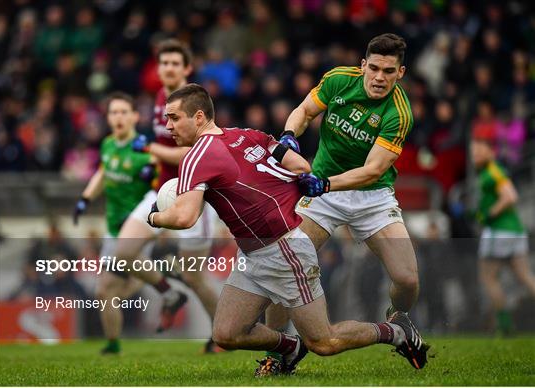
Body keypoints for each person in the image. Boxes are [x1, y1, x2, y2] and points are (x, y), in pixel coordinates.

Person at [148, 83, 428, 376]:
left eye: (174, 118)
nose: (168, 126)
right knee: (226, 333)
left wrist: (155, 217)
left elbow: (185, 217)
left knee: (325, 341)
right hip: (254, 253)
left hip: (283, 250)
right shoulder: (244, 135)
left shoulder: (196, 156)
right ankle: (290, 348)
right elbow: (299, 165)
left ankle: (396, 331)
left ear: (199, 117)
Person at [257, 33, 426, 374]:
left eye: (388, 71)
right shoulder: (338, 80)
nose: (380, 77)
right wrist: (290, 135)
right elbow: (304, 111)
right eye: (374, 68)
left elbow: (373, 170)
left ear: (400, 73)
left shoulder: (399, 113)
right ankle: (278, 354)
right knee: (283, 267)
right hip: (322, 195)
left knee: (407, 279)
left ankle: (399, 317)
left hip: (371, 196)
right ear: (363, 65)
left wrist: (326, 183)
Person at [113, 39, 222, 353]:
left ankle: (224, 336)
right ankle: (169, 292)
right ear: (157, 68)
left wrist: (148, 148)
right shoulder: (161, 97)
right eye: (164, 63)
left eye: (175, 63)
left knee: (195, 277)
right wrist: (151, 164)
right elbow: (164, 150)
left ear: (186, 68)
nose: (169, 68)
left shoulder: (195, 103)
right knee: (124, 253)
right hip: (161, 190)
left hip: (192, 192)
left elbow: (192, 153)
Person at [73, 92, 160, 354]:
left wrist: (152, 176)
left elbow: (163, 187)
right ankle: (113, 343)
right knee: (107, 292)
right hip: (112, 229)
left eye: (124, 112)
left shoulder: (146, 150)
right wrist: (85, 198)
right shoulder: (108, 144)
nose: (118, 117)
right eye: (114, 112)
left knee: (107, 290)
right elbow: (102, 172)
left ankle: (153, 281)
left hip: (136, 230)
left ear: (135, 116)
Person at [471, 136, 535, 335]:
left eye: (480, 151)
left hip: (500, 231)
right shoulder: (488, 171)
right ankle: (503, 324)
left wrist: (489, 214)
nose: (476, 156)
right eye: (474, 152)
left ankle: (505, 326)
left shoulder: (492, 172)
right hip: (515, 229)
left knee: (488, 277)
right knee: (525, 276)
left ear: (491, 152)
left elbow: (511, 196)